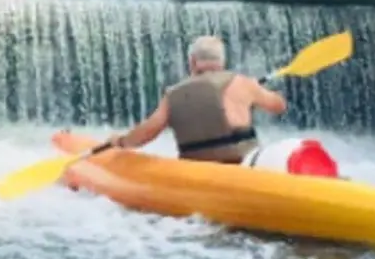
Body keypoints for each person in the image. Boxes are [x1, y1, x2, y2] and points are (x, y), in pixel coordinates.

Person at [108, 35, 287, 163]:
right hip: (243, 166)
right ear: (221, 62)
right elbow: (279, 105)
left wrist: (122, 141)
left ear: (193, 61)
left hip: (197, 172)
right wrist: (256, 89)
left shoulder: (173, 94)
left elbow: (148, 131)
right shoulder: (242, 83)